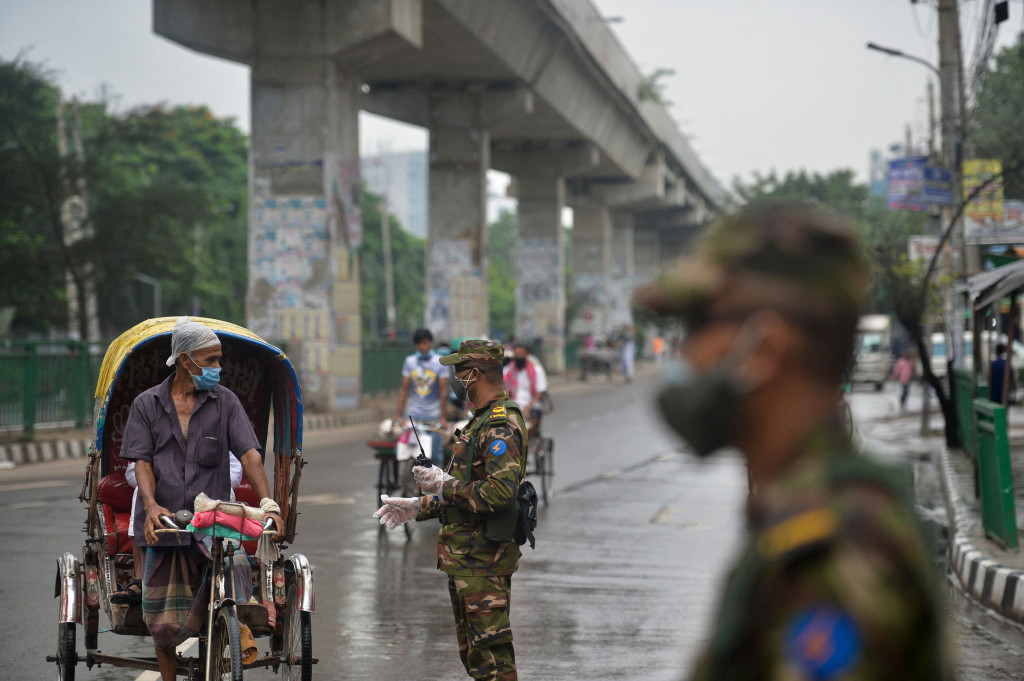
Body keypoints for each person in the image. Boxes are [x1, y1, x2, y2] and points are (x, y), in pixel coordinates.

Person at [636, 202, 952, 681]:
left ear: (764, 347)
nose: (686, 355)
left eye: (698, 328)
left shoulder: (830, 554)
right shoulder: (807, 510)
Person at [121, 316, 282, 681]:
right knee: (162, 627)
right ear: (185, 360)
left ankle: (233, 629)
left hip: (212, 525)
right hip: (165, 526)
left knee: (236, 571)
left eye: (218, 359)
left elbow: (250, 457)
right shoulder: (146, 404)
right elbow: (141, 462)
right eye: (211, 360)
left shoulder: (225, 403)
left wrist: (269, 506)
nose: (218, 367)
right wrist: (151, 506)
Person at [374, 340, 526, 681]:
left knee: (492, 663)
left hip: (483, 562)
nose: (455, 378)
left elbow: (500, 493)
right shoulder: (481, 421)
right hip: (468, 559)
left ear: (476, 373)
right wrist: (417, 506)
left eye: (459, 370)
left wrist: (445, 484)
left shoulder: (500, 425)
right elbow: (466, 491)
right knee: (478, 659)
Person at [393, 327, 449, 465]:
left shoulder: (440, 362)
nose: (422, 347)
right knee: (400, 451)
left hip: (433, 417)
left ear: (431, 343)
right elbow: (404, 390)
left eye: (425, 343)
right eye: (419, 344)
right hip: (412, 416)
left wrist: (442, 417)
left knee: (435, 456)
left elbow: (443, 392)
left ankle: (437, 479)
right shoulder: (410, 361)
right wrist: (398, 414)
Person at [502, 342, 548, 439]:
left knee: (533, 418)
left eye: (521, 354)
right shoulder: (507, 370)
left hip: (530, 405)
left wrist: (527, 408)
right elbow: (502, 389)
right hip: (512, 405)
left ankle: (526, 441)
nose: (519, 357)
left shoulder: (536, 370)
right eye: (517, 355)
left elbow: (541, 392)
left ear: (526, 355)